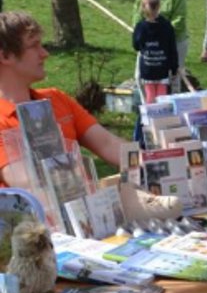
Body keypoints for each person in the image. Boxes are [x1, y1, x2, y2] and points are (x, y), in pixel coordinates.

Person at [0, 12, 125, 184]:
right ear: (5, 56)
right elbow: (27, 183)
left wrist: (155, 160)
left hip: (88, 205)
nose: (44, 53)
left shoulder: (56, 98)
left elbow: (108, 144)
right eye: (34, 45)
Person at [132, 0, 187, 92]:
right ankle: (146, 106)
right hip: (149, 41)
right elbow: (137, 10)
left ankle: (173, 106)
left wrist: (163, 33)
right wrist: (139, 31)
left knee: (173, 77)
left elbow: (180, 18)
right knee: (140, 76)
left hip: (173, 40)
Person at [132, 0, 179, 104]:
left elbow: (136, 46)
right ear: (159, 6)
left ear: (143, 7)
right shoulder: (167, 26)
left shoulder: (140, 27)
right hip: (162, 69)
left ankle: (150, 120)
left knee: (150, 98)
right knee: (162, 99)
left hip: (148, 70)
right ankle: (162, 120)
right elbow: (172, 48)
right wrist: (174, 68)